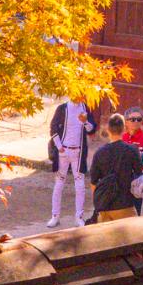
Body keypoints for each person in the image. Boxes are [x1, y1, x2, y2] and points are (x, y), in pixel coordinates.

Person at [47, 93, 98, 228]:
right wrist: (59, 146)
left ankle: (79, 217)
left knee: (79, 184)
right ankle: (55, 216)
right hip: (63, 151)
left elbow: (92, 129)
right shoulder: (63, 108)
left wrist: (85, 121)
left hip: (78, 151)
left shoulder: (85, 109)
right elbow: (53, 128)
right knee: (59, 183)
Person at [89, 113, 143, 222]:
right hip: (125, 204)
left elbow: (93, 183)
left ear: (108, 129)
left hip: (105, 207)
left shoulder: (99, 153)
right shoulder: (132, 150)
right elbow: (139, 174)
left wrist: (100, 201)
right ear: (124, 129)